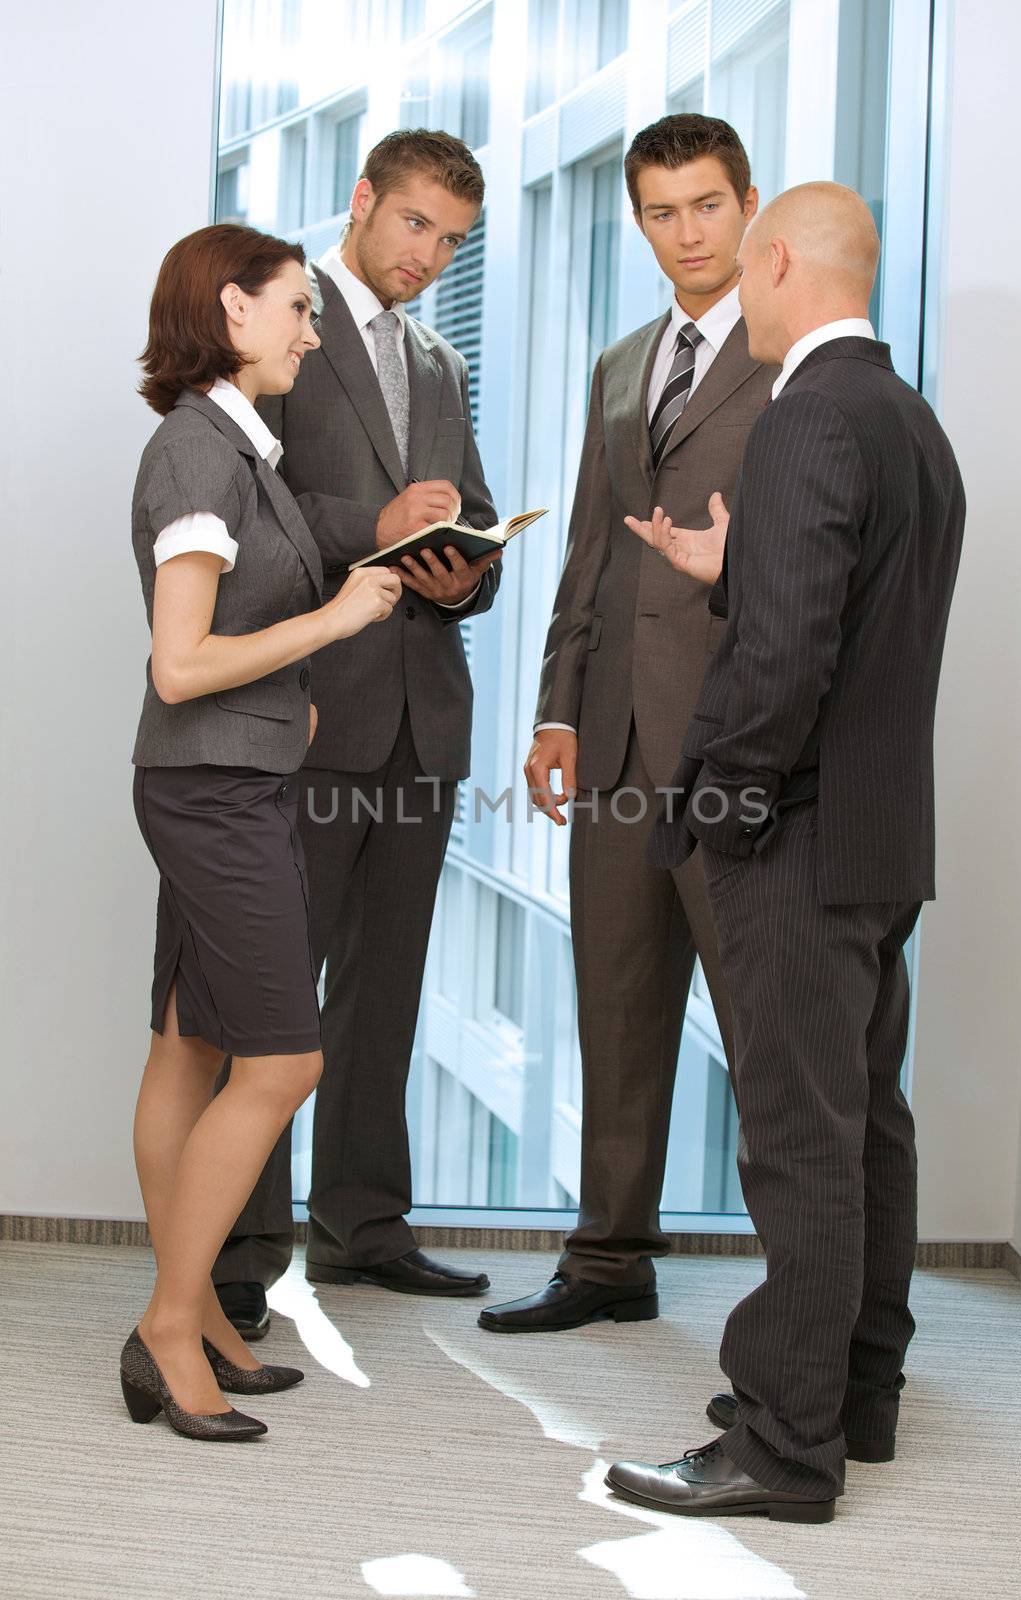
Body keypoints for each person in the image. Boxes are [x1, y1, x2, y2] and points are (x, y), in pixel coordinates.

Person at [605, 183, 965, 1521]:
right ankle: (851, 1394)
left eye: (737, 266)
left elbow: (785, 657)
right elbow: (844, 609)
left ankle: (780, 1444)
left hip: (798, 844)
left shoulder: (803, 417)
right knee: (864, 1123)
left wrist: (724, 807)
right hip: (879, 839)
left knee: (796, 1142)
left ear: (770, 262)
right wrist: (737, 562)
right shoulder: (902, 418)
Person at [480, 116, 775, 1335]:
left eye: (705, 205)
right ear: (637, 219)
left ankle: (803, 1303)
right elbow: (590, 562)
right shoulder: (618, 364)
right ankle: (608, 1261)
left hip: (736, 744)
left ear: (746, 205)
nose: (685, 233)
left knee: (765, 1030)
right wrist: (555, 713)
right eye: (660, 211)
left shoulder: (798, 355)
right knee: (615, 1002)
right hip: (610, 745)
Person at [213, 130, 500, 1339]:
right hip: (309, 709)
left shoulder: (437, 358)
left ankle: (362, 1229)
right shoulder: (284, 317)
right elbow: (249, 490)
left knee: (385, 992)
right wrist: (369, 523)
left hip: (421, 719)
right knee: (276, 997)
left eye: (452, 241)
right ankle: (236, 1252)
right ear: (363, 200)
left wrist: (460, 574)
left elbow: (470, 510)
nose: (428, 256)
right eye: (415, 226)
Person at [124, 224, 401, 1441]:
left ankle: (196, 1318)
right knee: (283, 1060)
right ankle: (171, 1326)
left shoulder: (241, 449)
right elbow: (180, 664)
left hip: (226, 779)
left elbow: (221, 651)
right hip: (213, 790)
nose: (312, 327)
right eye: (296, 307)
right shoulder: (198, 456)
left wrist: (290, 690)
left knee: (189, 1049)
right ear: (231, 311)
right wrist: (334, 624)